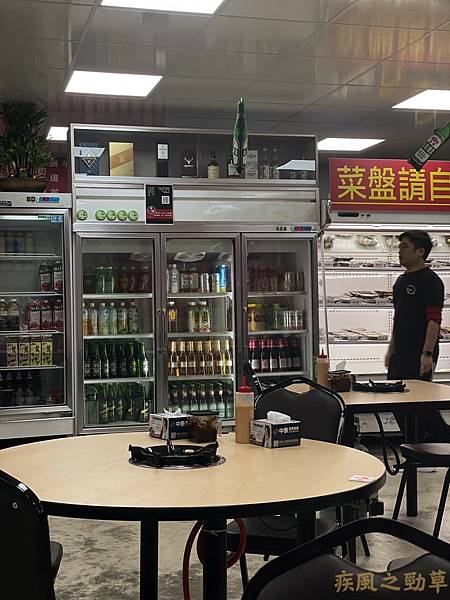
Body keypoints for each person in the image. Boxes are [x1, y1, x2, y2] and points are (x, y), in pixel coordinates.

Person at [385, 230, 446, 440]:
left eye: (405, 247)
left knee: (419, 404)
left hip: (419, 354)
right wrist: (391, 349)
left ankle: (432, 444)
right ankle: (415, 444)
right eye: (399, 247)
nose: (400, 251)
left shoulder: (431, 281)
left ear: (420, 252)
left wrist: (427, 354)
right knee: (395, 401)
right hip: (400, 354)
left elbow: (434, 320)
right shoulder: (400, 281)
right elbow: (399, 319)